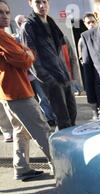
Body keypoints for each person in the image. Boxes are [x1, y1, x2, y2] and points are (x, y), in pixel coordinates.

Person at [0, 0, 52, 180]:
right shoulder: (2, 36)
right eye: (1, 13)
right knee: (41, 129)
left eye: (7, 12)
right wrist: (27, 53)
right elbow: (24, 59)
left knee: (20, 131)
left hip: (9, 92)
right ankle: (60, 166)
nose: (5, 16)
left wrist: (24, 53)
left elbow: (22, 55)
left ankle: (21, 167)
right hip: (17, 92)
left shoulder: (4, 35)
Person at [22, 0, 77, 130]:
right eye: (37, 2)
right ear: (30, 3)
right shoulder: (28, 26)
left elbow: (59, 52)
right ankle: (63, 148)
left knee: (72, 115)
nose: (42, 6)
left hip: (63, 76)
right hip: (51, 80)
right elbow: (32, 59)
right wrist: (49, 81)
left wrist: (68, 75)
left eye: (44, 2)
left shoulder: (51, 23)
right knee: (63, 120)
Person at [78, 12, 100, 120]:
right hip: (91, 70)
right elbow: (82, 58)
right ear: (85, 24)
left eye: (93, 22)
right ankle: (95, 112)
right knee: (92, 93)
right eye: (88, 22)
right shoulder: (83, 39)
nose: (91, 24)